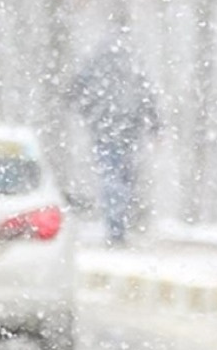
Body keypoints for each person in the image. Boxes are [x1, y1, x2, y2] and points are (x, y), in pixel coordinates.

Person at [68, 35, 159, 246]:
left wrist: (86, 111)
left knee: (110, 176)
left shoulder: (96, 65)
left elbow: (75, 90)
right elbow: (147, 95)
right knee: (124, 177)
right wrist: (155, 125)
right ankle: (119, 224)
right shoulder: (132, 65)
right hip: (129, 130)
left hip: (103, 129)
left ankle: (115, 226)